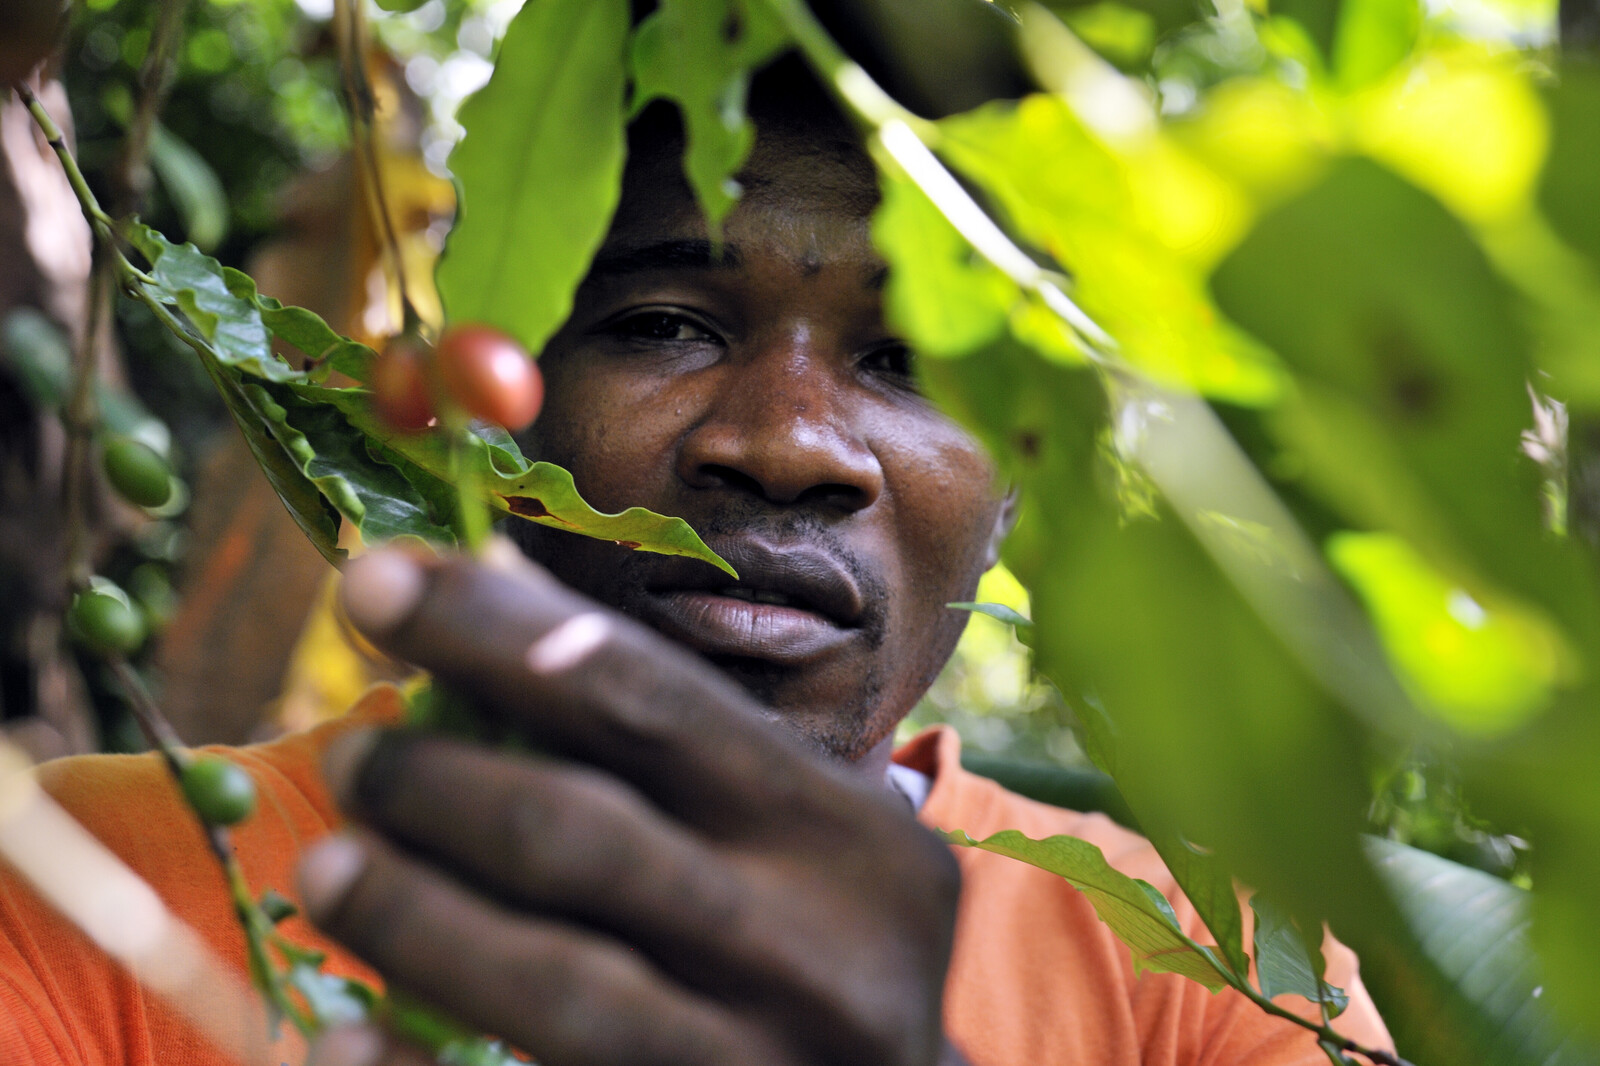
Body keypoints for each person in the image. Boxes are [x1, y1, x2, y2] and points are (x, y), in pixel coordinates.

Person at [0, 56, 1391, 1066]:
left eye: (908, 364)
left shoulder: (1228, 981)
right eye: (666, 324)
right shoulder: (85, 884)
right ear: (497, 404)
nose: (785, 445)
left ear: (1019, 480)